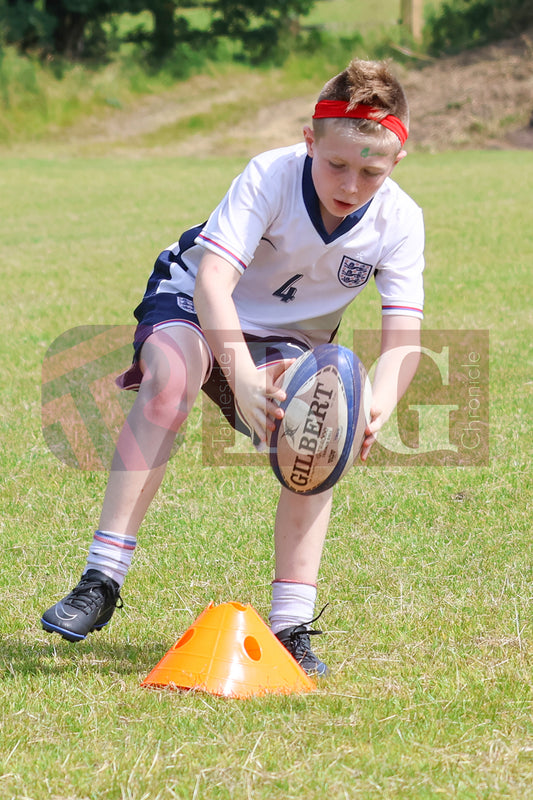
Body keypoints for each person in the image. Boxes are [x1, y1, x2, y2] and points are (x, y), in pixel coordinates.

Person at [41, 58, 424, 676]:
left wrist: (374, 409)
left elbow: (402, 334)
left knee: (320, 431)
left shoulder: (400, 220)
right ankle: (101, 580)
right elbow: (216, 283)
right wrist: (240, 373)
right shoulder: (270, 175)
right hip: (196, 300)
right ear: (309, 141)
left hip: (285, 338)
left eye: (370, 171)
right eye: (337, 164)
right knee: (170, 382)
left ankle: (292, 624)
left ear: (396, 164)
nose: (350, 183)